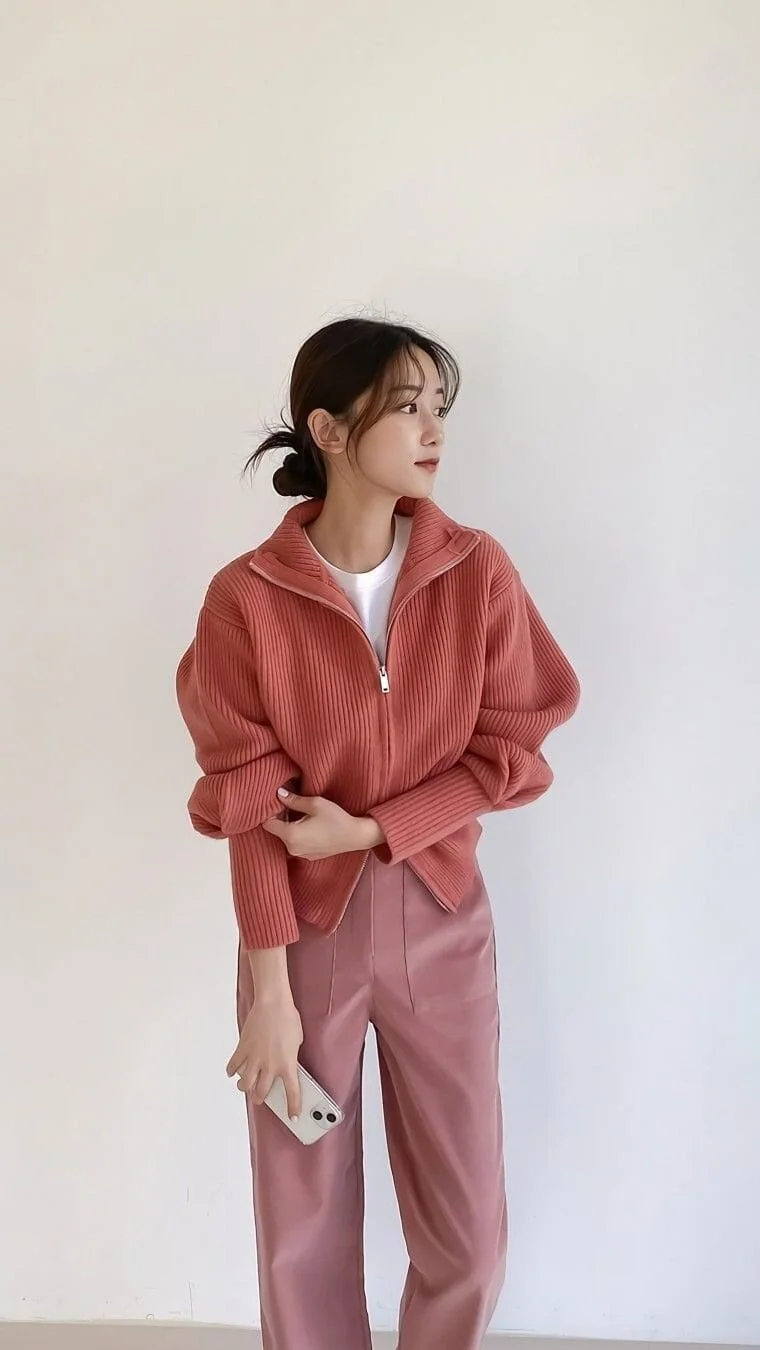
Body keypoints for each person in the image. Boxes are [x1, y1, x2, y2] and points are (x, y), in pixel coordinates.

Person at [176, 316, 580, 1350]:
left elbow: (512, 751)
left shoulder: (476, 572)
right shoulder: (246, 598)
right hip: (302, 935)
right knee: (299, 1231)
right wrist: (269, 996)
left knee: (469, 1237)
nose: (433, 430)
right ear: (329, 428)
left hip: (441, 915)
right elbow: (246, 802)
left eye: (439, 407)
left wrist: (373, 828)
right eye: (407, 407)